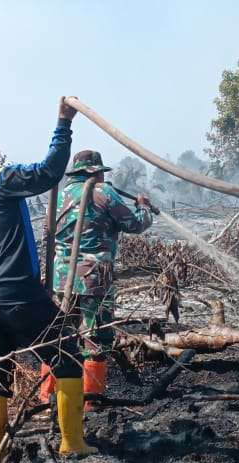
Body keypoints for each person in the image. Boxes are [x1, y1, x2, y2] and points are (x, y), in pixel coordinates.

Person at [0, 97, 97, 463]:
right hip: (17, 292)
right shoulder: (3, 177)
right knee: (68, 357)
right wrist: (63, 124)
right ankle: (72, 443)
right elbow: (51, 171)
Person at [37, 150, 154, 408]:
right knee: (96, 337)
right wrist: (144, 206)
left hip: (60, 278)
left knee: (58, 335)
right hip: (93, 278)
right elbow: (135, 224)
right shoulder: (103, 193)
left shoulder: (57, 197)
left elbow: (49, 232)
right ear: (93, 172)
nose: (102, 176)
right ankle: (91, 401)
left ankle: (47, 396)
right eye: (100, 171)